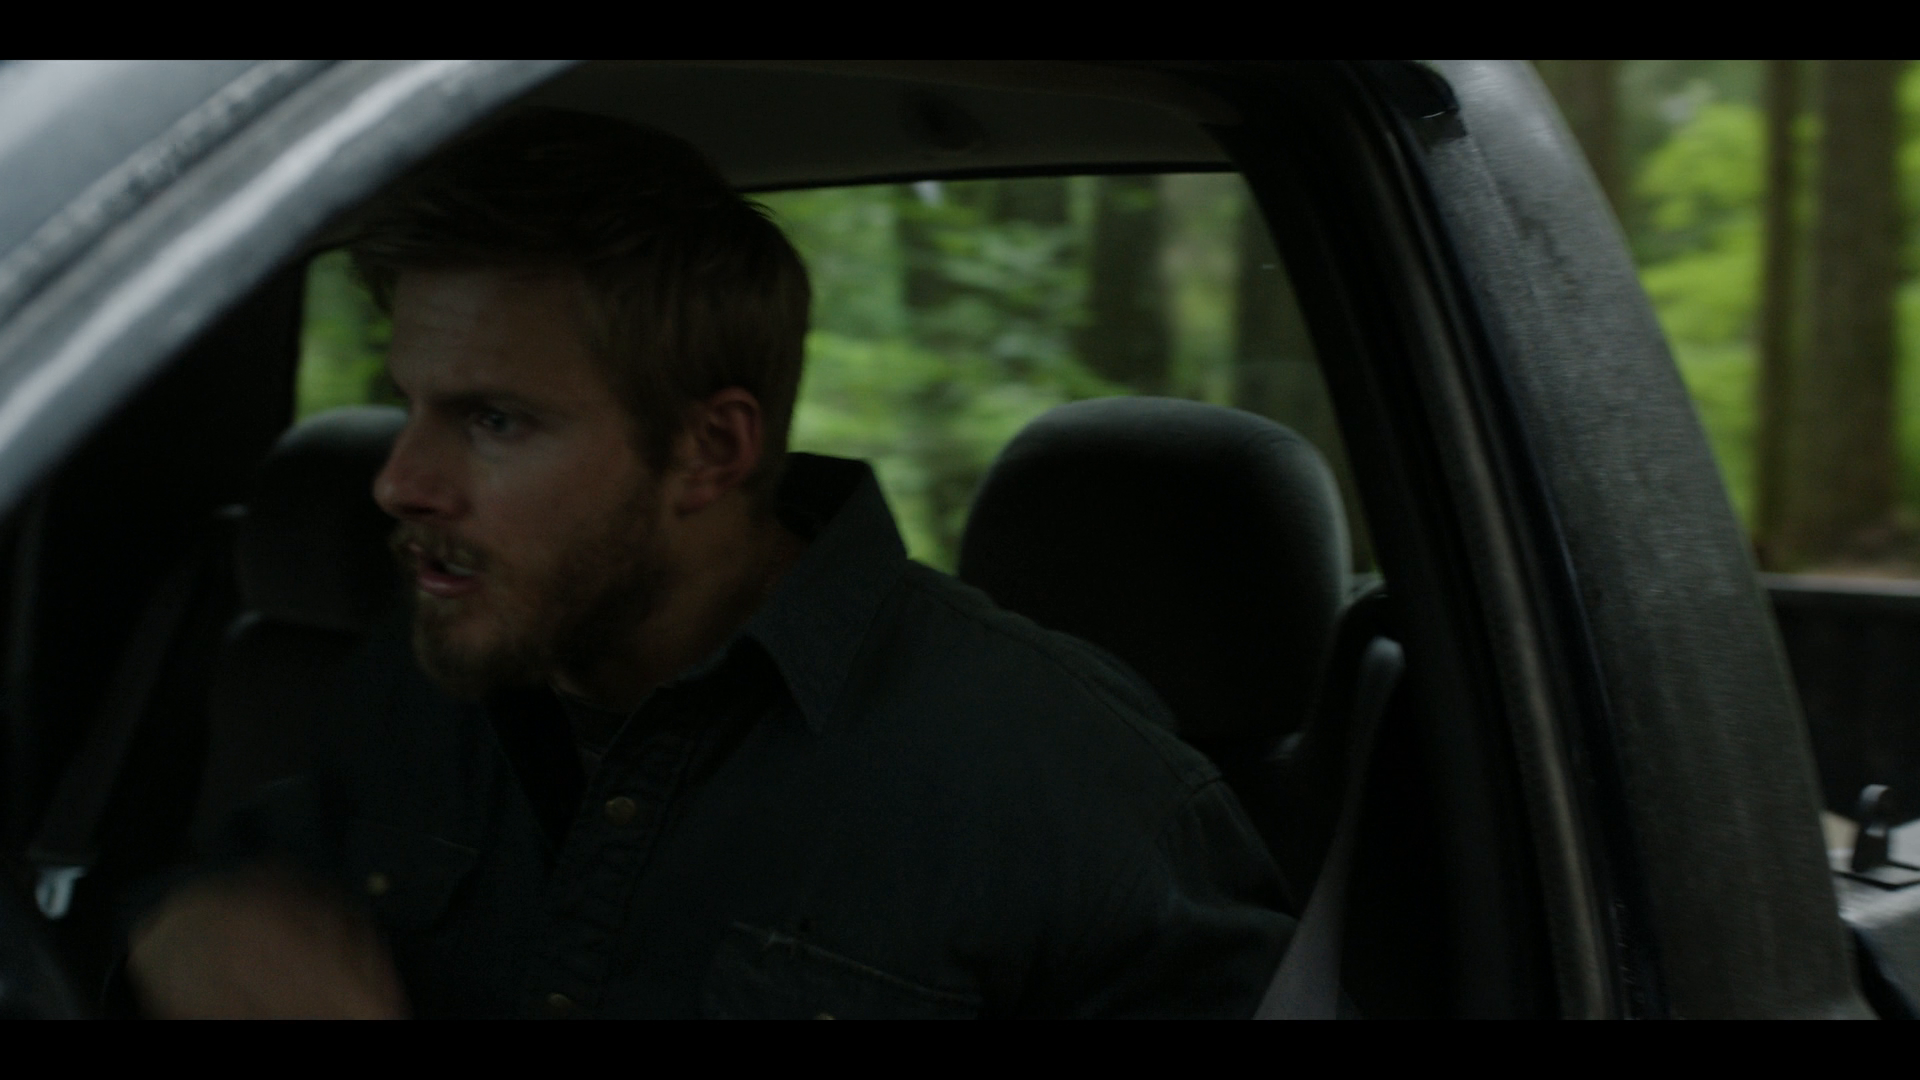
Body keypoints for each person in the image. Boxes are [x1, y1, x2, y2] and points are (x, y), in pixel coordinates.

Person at [126, 110, 1293, 1018]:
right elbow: (227, 901)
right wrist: (186, 930)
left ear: (709, 451)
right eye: (409, 405)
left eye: (493, 420)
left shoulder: (1060, 782)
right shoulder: (432, 677)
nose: (400, 481)